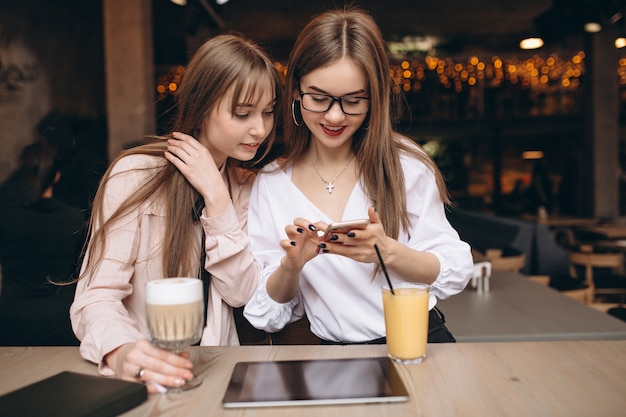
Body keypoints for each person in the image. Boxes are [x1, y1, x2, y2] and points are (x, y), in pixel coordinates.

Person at [243, 8, 473, 345]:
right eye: (319, 98)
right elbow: (269, 315)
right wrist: (291, 266)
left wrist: (387, 252)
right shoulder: (272, 183)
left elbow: (455, 269)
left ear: (374, 98)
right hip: (333, 357)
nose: (334, 116)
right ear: (295, 91)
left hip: (418, 341)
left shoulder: (405, 166)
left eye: (353, 101)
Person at [70, 33, 281, 393]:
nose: (260, 129)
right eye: (242, 113)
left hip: (219, 374)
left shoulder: (246, 186)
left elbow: (241, 292)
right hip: (146, 376)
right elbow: (96, 297)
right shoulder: (136, 175)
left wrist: (217, 197)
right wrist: (123, 351)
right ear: (200, 107)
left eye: (268, 112)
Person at [0, 142, 84, 346]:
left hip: (13, 319)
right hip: (62, 320)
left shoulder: (6, 215)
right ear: (56, 176)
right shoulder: (73, 218)